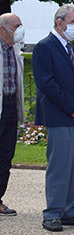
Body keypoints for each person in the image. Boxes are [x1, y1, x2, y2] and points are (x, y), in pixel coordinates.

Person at [32, 4, 74, 232]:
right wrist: (72, 109)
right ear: (60, 22)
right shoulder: (44, 47)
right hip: (60, 117)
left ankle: (69, 210)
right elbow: (47, 84)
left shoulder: (71, 48)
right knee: (59, 166)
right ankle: (53, 213)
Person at [0, 13, 24, 217]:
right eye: (17, 26)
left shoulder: (15, 50)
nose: (20, 30)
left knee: (6, 155)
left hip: (10, 107)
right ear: (2, 28)